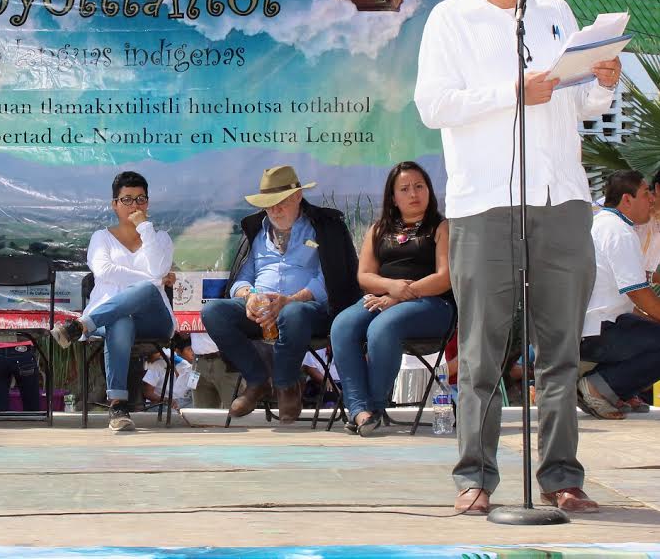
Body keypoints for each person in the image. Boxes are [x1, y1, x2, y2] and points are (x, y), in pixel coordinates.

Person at [415, 0, 622, 514]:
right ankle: (474, 477)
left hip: (562, 201)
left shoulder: (554, 11)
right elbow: (434, 105)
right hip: (488, 204)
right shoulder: (450, 20)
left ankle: (561, 476)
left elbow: (576, 105)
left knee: (561, 353)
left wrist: (601, 82)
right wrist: (512, 92)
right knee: (482, 352)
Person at [202, 165, 361, 423]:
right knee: (213, 312)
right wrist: (249, 296)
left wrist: (291, 300)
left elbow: (332, 277)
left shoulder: (324, 227)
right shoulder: (257, 232)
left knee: (294, 313)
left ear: (298, 196)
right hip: (262, 311)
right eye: (268, 204)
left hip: (310, 311)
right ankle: (257, 380)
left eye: (281, 202)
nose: (274, 210)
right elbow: (242, 277)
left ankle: (286, 385)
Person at [330, 161, 455, 436]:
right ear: (393, 197)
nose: (413, 194)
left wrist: (399, 297)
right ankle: (359, 410)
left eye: (419, 186)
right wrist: (390, 287)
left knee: (383, 326)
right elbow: (364, 276)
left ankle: (374, 407)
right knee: (342, 325)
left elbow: (445, 278)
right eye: (405, 189)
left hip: (432, 305)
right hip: (384, 300)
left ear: (429, 191)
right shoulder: (378, 229)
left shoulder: (441, 227)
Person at [50, 170, 174, 432]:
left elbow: (159, 270)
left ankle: (80, 326)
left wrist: (145, 229)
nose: (134, 205)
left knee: (148, 291)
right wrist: (153, 279)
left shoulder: (160, 238)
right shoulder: (101, 237)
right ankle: (118, 407)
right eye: (127, 199)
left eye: (140, 199)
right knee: (122, 319)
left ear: (148, 203)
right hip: (112, 319)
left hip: (155, 320)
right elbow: (104, 271)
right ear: (114, 204)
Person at [578, 170, 660, 419]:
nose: (651, 200)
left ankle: (614, 390)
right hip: (598, 330)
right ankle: (597, 388)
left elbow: (627, 298)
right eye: (646, 194)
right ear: (627, 199)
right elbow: (637, 292)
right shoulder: (619, 232)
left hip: (598, 326)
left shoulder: (608, 224)